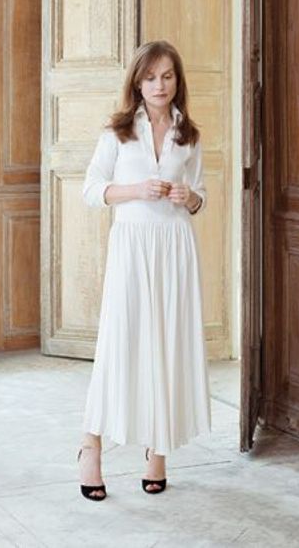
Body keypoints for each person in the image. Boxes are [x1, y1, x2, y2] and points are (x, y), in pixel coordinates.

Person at [77, 40, 211, 500]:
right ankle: (91, 446)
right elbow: (92, 190)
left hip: (175, 248)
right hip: (132, 247)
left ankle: (158, 449)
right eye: (151, 77)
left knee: (167, 345)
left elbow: (200, 195)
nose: (159, 85)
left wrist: (189, 197)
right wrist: (136, 189)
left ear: (177, 81)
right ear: (137, 82)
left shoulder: (188, 135)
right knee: (119, 344)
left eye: (167, 76)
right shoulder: (118, 132)